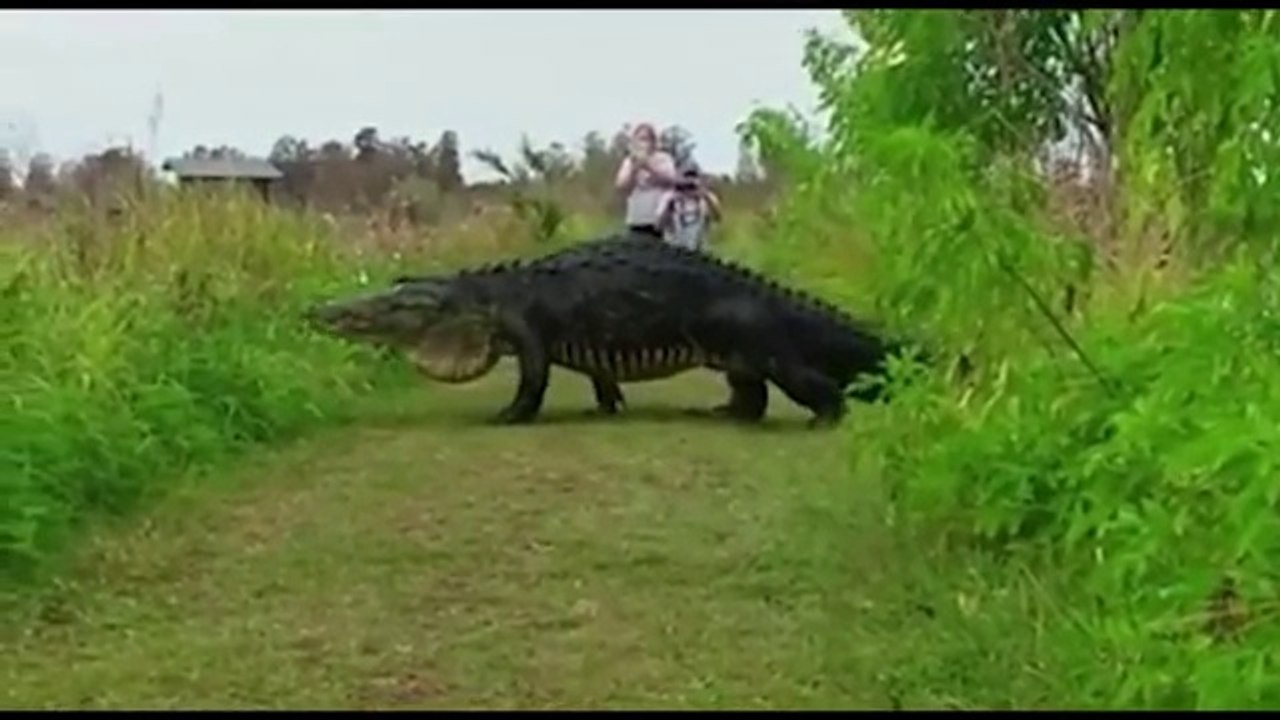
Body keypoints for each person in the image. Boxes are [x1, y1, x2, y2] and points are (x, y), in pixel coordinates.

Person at [614, 123, 679, 238]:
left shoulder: (664, 159)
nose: (643, 143)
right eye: (640, 139)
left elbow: (671, 179)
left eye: (646, 139)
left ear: (653, 141)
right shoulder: (629, 162)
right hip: (636, 218)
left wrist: (648, 166)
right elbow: (620, 185)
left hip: (659, 220)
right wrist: (634, 169)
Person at [657, 166, 722, 251]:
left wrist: (705, 197)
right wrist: (669, 207)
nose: (688, 185)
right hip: (673, 249)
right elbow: (659, 226)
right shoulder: (669, 196)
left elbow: (717, 218)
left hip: (698, 250)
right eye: (686, 179)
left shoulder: (707, 197)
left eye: (692, 180)